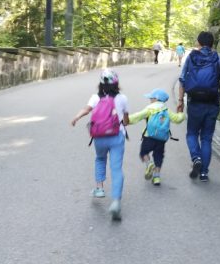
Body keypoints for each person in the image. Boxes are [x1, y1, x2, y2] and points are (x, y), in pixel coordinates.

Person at [71, 69, 130, 221]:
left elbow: (86, 109)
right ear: (116, 83)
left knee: (100, 159)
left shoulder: (95, 97)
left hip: (99, 137)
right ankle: (116, 202)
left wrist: (76, 117)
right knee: (116, 168)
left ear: (101, 83)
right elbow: (126, 120)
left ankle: (99, 188)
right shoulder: (122, 98)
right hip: (117, 136)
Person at [176, 31, 220, 182]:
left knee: (192, 134)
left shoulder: (191, 57)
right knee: (207, 138)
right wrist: (218, 93)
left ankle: (196, 158)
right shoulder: (219, 59)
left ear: (198, 43)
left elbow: (182, 80)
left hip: (195, 103)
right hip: (212, 104)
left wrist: (180, 101)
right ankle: (204, 173)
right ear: (212, 43)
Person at [128, 88, 185, 186]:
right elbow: (177, 119)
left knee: (144, 152)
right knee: (158, 156)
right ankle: (156, 177)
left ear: (156, 99)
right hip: (161, 139)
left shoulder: (150, 108)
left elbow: (138, 116)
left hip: (149, 137)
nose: (150, 100)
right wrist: (181, 113)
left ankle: (149, 163)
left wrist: (126, 120)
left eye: (151, 98)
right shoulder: (166, 110)